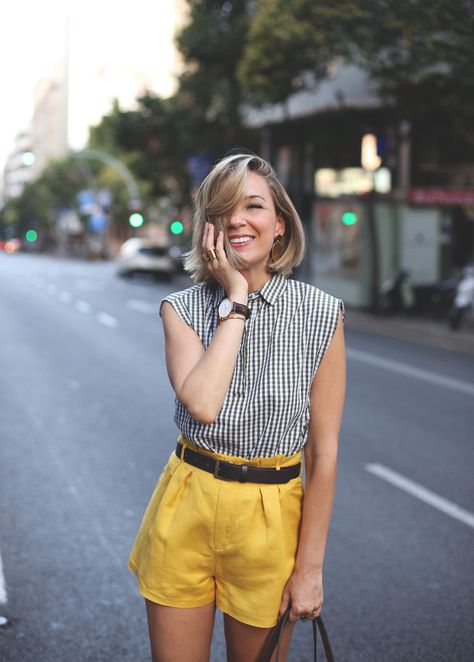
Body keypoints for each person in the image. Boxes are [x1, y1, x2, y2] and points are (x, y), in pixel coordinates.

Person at [128, 152, 346, 662]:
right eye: (224, 210)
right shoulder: (180, 310)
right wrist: (237, 300)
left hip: (270, 519)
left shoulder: (321, 315)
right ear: (209, 228)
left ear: (280, 225)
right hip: (187, 505)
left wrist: (310, 569)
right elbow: (203, 404)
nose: (238, 220)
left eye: (253, 206)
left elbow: (325, 453)